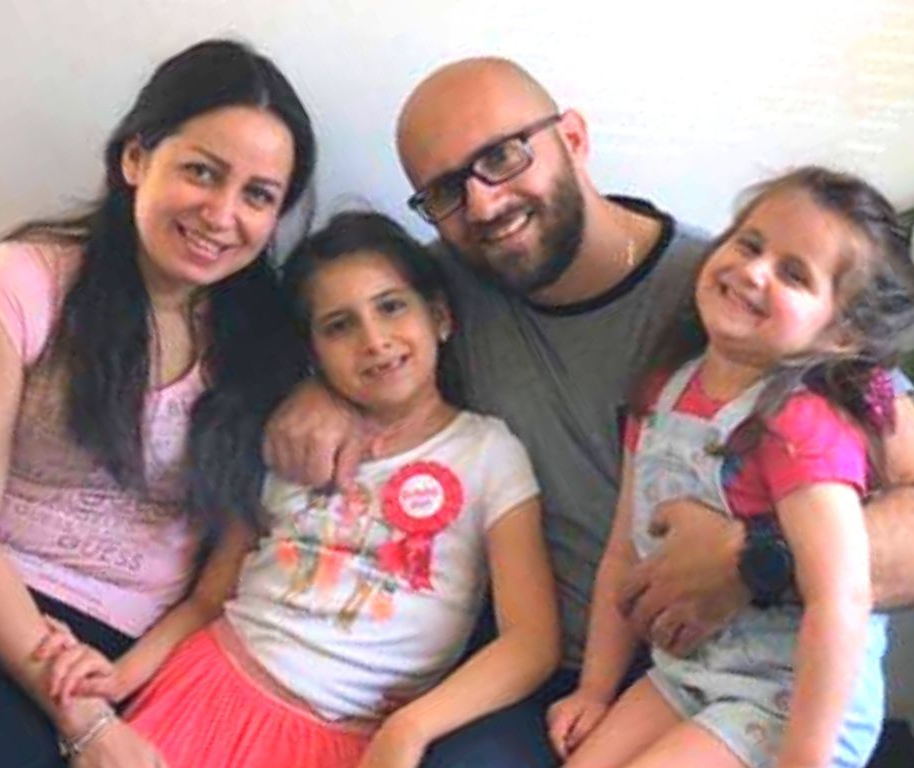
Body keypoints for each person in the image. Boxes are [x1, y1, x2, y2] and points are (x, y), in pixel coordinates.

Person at [263, 57, 914, 766]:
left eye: (503, 155)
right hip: (562, 672)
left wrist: (755, 559)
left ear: (573, 137)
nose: (484, 204)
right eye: (447, 190)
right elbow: (352, 325)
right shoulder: (448, 292)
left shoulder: (743, 304)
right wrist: (317, 389)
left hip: (759, 679)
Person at [0, 39, 315, 768]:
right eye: (201, 172)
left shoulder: (265, 352)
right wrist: (91, 726)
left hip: (102, 634)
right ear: (134, 160)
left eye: (258, 195)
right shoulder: (20, 284)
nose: (222, 214)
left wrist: (111, 686)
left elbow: (222, 572)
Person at [40, 211, 560, 768]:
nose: (375, 340)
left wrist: (413, 727)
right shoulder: (289, 441)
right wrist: (119, 679)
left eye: (391, 306)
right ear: (311, 351)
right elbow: (210, 599)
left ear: (439, 316)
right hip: (206, 694)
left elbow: (531, 642)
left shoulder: (487, 454)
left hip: (349, 742)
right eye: (340, 325)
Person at [549, 167, 914, 768]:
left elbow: (843, 598)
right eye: (750, 244)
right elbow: (625, 551)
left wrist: (803, 759)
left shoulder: (803, 426)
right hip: (688, 675)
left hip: (789, 703)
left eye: (794, 274)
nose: (753, 271)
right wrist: (594, 690)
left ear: (841, 333)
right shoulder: (662, 390)